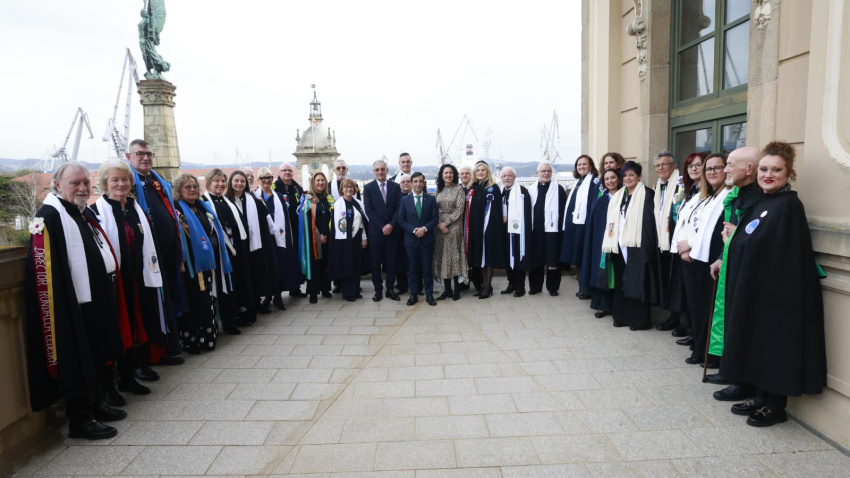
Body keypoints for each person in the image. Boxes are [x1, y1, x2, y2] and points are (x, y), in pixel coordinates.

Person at [718, 142, 826, 427]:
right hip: (756, 290)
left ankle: (775, 405)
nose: (768, 174)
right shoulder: (764, 203)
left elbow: (784, 253)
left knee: (775, 348)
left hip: (777, 295)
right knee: (758, 345)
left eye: (776, 170)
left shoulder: (789, 205)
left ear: (789, 174)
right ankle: (761, 395)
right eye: (764, 169)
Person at [25, 162, 128, 440]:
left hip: (94, 298)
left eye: (86, 183)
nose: (83, 188)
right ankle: (80, 420)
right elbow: (46, 269)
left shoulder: (79, 212)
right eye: (75, 183)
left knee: (95, 356)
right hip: (71, 305)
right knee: (77, 358)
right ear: (58, 185)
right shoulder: (50, 217)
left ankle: (95, 405)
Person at [93, 161, 168, 402]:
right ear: (105, 183)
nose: (121, 184)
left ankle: (130, 373)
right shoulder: (98, 211)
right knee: (118, 328)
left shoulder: (135, 208)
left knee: (138, 324)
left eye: (125, 179)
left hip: (139, 276)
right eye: (115, 180)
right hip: (115, 281)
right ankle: (111, 382)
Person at [705, 147, 764, 401]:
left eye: (729, 165)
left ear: (748, 169)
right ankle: (732, 370)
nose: (726, 169)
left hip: (751, 271)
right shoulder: (738, 195)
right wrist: (721, 256)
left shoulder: (762, 199)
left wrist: (735, 236)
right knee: (729, 318)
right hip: (732, 264)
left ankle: (743, 381)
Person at [126, 139, 183, 370]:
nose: (146, 158)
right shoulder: (129, 182)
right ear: (129, 156)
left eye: (149, 154)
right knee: (150, 305)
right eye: (140, 154)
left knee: (166, 302)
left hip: (167, 253)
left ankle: (167, 347)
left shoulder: (156, 181)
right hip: (145, 256)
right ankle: (150, 355)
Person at [674, 153, 728, 368]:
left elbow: (711, 232)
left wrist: (690, 245)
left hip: (707, 259)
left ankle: (705, 351)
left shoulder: (728, 196)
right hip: (689, 257)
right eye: (709, 169)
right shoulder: (702, 196)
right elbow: (686, 223)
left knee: (706, 308)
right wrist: (682, 246)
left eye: (717, 168)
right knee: (695, 307)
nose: (712, 172)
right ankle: (698, 344)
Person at [601, 161, 662, 331]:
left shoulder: (648, 195)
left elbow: (650, 224)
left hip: (638, 245)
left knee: (637, 282)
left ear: (639, 176)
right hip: (619, 244)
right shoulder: (619, 196)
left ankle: (638, 320)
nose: (627, 178)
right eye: (625, 175)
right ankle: (621, 316)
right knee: (621, 280)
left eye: (631, 175)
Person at [173, 173, 229, 354]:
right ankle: (193, 340)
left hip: (206, 264)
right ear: (179, 190)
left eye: (195, 186)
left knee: (207, 300)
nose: (192, 190)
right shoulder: (176, 210)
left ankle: (208, 337)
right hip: (189, 265)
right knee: (192, 302)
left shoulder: (202, 207)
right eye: (187, 187)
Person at [667, 153, 707, 349]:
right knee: (688, 296)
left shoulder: (709, 193)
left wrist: (689, 244)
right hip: (683, 249)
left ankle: (697, 336)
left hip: (696, 252)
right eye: (690, 165)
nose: (693, 169)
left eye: (698, 165)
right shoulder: (690, 190)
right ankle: (692, 331)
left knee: (698, 299)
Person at [226, 170, 278, 318]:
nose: (240, 183)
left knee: (254, 275)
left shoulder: (252, 199)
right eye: (236, 180)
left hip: (254, 243)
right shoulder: (226, 200)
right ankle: (243, 306)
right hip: (236, 244)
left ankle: (255, 303)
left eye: (242, 181)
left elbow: (265, 217)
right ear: (231, 182)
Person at [201, 169, 244, 334]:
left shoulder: (226, 201)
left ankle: (232, 318)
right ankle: (224, 321)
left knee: (232, 285)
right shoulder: (204, 202)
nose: (220, 184)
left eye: (222, 181)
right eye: (216, 181)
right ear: (209, 183)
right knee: (221, 287)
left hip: (232, 249)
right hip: (217, 252)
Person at [256, 167, 301, 308]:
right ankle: (268, 295)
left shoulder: (279, 197)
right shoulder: (255, 197)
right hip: (264, 236)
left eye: (269, 178)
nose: (267, 181)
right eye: (263, 178)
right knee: (267, 266)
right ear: (259, 180)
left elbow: (286, 220)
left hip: (279, 236)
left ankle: (278, 296)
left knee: (279, 265)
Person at [652, 151, 687, 334]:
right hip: (663, 240)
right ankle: (672, 316)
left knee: (678, 282)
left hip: (676, 240)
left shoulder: (681, 184)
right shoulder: (660, 185)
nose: (660, 168)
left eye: (663, 165)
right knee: (667, 279)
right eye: (657, 166)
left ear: (674, 166)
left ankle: (681, 320)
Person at [581, 168, 621, 318]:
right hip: (602, 243)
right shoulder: (600, 201)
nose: (610, 181)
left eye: (613, 177)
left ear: (618, 179)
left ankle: (618, 305)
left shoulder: (624, 197)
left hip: (620, 244)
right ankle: (603, 305)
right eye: (607, 179)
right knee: (603, 273)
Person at [560, 155, 600, 298]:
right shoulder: (580, 181)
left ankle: (587, 288)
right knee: (578, 257)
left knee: (584, 257)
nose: (581, 167)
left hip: (585, 225)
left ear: (591, 166)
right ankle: (582, 287)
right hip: (576, 224)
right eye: (579, 164)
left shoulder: (594, 181)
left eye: (584, 164)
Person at [363, 159, 402, 302]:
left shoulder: (396, 187)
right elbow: (369, 210)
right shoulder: (368, 188)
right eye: (377, 170)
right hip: (376, 232)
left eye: (382, 169)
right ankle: (378, 290)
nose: (380, 172)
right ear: (374, 172)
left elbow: (399, 208)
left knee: (391, 262)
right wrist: (382, 226)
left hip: (393, 231)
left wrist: (391, 225)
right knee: (375, 262)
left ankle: (390, 289)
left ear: (387, 171)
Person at [398, 172, 439, 306]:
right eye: (415, 181)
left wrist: (424, 229)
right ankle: (413, 295)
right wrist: (414, 230)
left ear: (424, 183)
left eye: (420, 181)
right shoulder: (404, 200)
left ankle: (429, 295)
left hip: (427, 240)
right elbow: (401, 220)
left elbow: (435, 219)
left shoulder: (431, 199)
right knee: (413, 269)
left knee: (427, 269)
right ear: (411, 183)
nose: (418, 184)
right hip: (411, 240)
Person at [466, 160, 505, 298]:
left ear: (488, 172)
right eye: (478, 170)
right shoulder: (472, 188)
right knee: (480, 258)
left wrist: (492, 229)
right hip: (476, 228)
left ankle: (487, 288)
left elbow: (498, 211)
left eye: (483, 170)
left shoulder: (493, 188)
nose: (480, 172)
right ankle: (485, 286)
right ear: (474, 173)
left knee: (488, 257)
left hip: (489, 229)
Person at [528, 162, 567, 296]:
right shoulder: (531, 189)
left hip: (553, 230)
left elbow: (563, 211)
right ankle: (535, 287)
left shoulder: (559, 189)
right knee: (536, 258)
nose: (546, 173)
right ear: (537, 173)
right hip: (536, 230)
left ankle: (553, 287)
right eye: (543, 171)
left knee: (553, 259)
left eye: (548, 171)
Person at [329, 178, 369, 301]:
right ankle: (348, 293)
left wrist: (364, 238)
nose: (349, 189)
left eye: (351, 187)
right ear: (342, 189)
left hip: (357, 238)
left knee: (357, 264)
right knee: (347, 265)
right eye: (346, 187)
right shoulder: (337, 205)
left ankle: (356, 290)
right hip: (343, 241)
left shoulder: (358, 203)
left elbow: (363, 222)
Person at [433, 164, 468, 301]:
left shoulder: (459, 189)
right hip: (439, 227)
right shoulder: (438, 190)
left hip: (454, 226)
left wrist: (446, 223)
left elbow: (459, 210)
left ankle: (457, 289)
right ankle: (447, 290)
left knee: (453, 257)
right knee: (442, 257)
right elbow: (434, 209)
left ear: (454, 175)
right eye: (446, 173)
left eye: (451, 173)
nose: (448, 175)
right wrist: (439, 225)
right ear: (442, 175)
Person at [298, 172, 333, 303]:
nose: (320, 183)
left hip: (328, 236)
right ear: (313, 182)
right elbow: (309, 220)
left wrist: (327, 234)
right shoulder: (309, 198)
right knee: (315, 264)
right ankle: (313, 292)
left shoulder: (328, 198)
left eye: (323, 180)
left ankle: (325, 289)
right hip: (314, 238)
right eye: (318, 180)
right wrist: (320, 235)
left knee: (325, 263)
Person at [273, 162, 306, 298]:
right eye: (284, 170)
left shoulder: (297, 188)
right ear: (279, 173)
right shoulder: (274, 188)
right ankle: (278, 292)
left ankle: (295, 287)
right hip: (279, 230)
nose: (287, 173)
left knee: (294, 259)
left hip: (295, 228)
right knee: (281, 258)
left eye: (289, 171)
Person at [501, 167, 532, 297]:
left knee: (519, 259)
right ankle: (511, 284)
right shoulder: (501, 192)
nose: (507, 178)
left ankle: (520, 287)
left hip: (519, 231)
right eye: (504, 176)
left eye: (509, 175)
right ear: (501, 178)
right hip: (504, 231)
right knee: (508, 258)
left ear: (514, 177)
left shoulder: (522, 191)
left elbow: (526, 211)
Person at [458, 166, 475, 291]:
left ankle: (477, 282)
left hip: (473, 227)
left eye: (467, 173)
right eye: (462, 173)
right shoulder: (457, 189)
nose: (464, 175)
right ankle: (463, 283)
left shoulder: (476, 188)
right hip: (459, 227)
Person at [395, 173, 413, 295]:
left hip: (415, 233)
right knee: (400, 262)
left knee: (415, 262)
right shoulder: (396, 198)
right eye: (403, 182)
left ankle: (416, 286)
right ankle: (402, 286)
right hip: (399, 234)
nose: (405, 183)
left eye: (408, 181)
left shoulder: (419, 197)